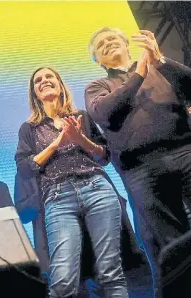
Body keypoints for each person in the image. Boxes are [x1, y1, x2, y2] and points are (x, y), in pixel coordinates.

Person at [85, 27, 191, 297]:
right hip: (142, 171)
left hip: (185, 151)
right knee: (173, 240)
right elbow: (104, 112)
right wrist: (139, 74)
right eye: (101, 45)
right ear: (97, 59)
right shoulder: (97, 87)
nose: (108, 43)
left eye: (112, 39)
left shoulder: (158, 67)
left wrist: (161, 62)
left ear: (126, 45)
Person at [15, 66, 128, 297]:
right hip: (58, 199)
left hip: (97, 188)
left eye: (49, 77)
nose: (44, 81)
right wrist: (56, 144)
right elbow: (25, 169)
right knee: (63, 280)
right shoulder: (29, 129)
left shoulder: (81, 117)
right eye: (38, 80)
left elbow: (104, 155)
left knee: (111, 273)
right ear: (34, 92)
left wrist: (80, 139)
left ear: (60, 84)